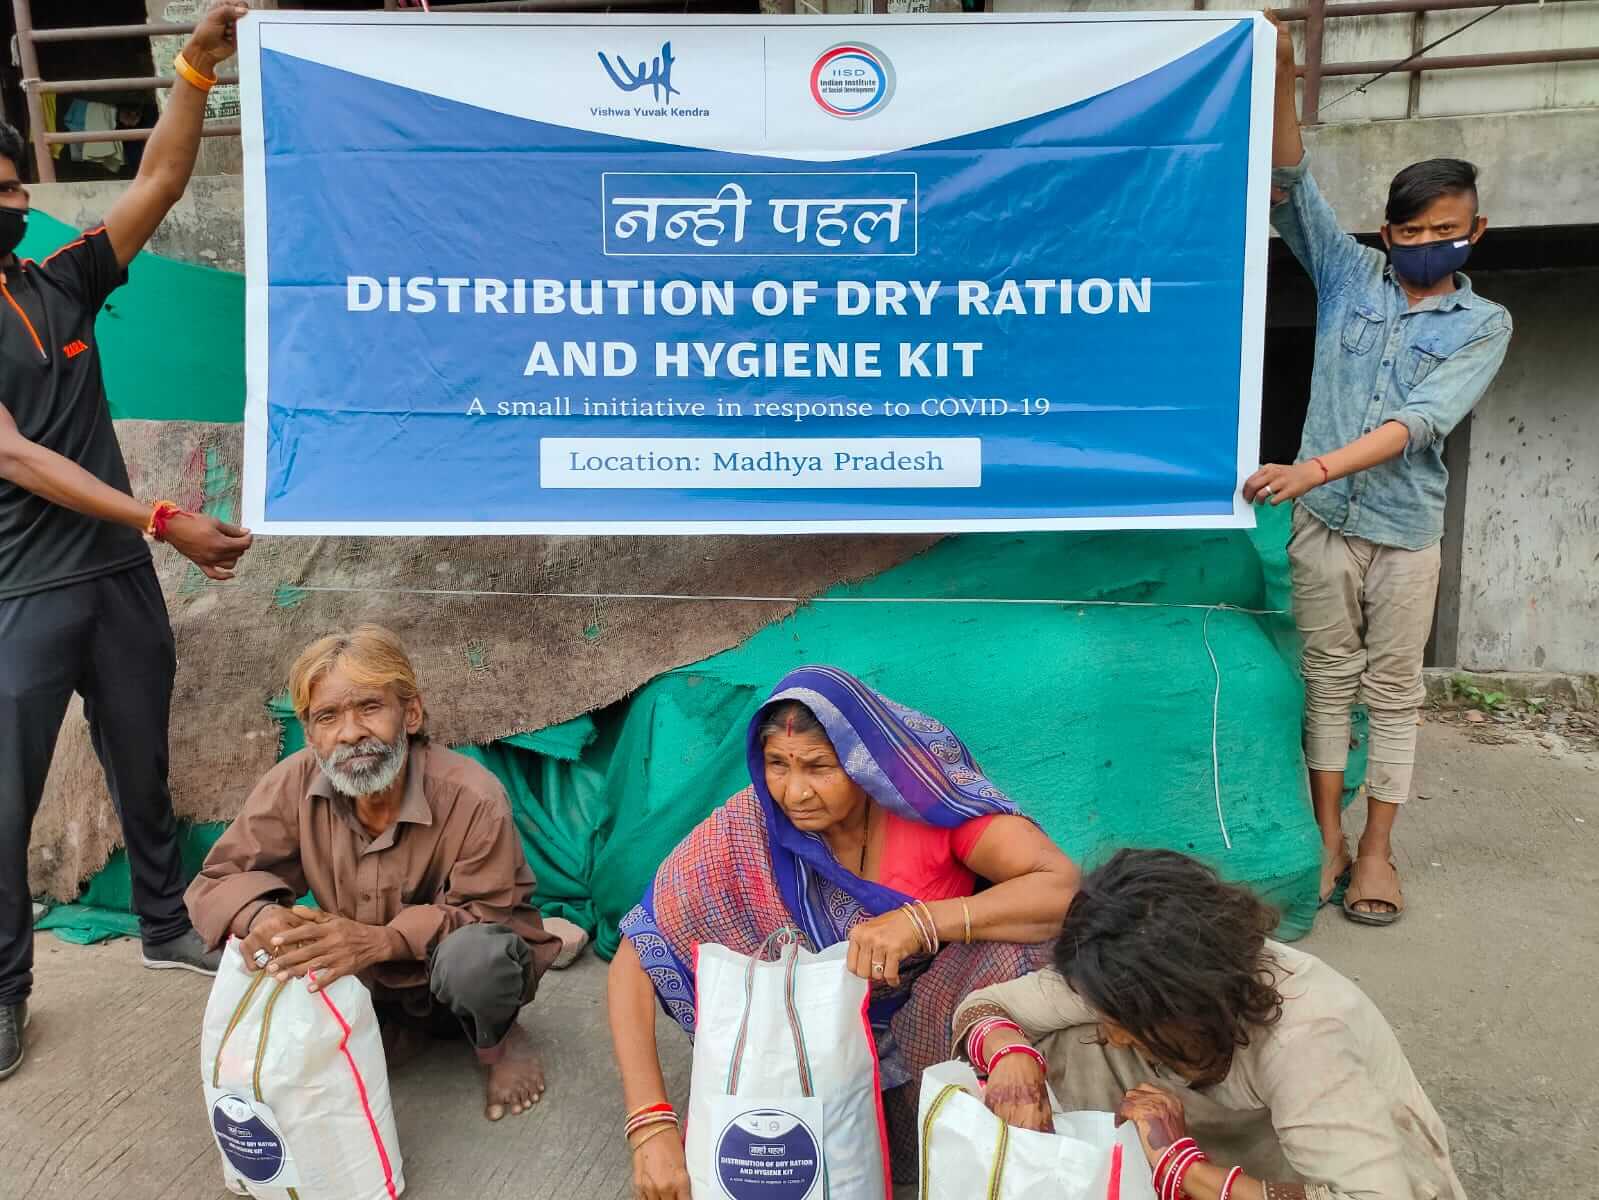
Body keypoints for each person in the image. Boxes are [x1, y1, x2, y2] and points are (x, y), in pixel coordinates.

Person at [0, 3, 258, 1083]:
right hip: (23, 592)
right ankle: (5, 992)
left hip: (115, 579)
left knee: (141, 762)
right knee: (6, 802)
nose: (14, 205)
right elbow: (14, 455)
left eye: (16, 189)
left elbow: (157, 181)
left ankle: (164, 923)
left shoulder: (59, 279)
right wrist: (161, 517)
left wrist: (193, 69)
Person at [608, 664, 1079, 1197]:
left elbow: (1060, 887)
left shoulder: (928, 807)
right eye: (777, 764)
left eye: (819, 767)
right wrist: (650, 1123)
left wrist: (922, 921)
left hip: (930, 1030)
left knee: (1015, 947)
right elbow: (636, 955)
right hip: (809, 1056)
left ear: (864, 761)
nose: (795, 792)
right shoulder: (749, 827)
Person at [1245, 13, 1512, 925]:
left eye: (1445, 229)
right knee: (1326, 679)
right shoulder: (1349, 275)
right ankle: (1326, 836)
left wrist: (1310, 469)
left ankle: (1375, 851)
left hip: (1402, 534)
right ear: (1387, 233)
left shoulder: (1484, 324)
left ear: (1475, 230)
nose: (1427, 242)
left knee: (1392, 692)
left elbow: (1420, 421)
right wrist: (1282, 68)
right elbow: (1290, 183)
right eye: (1410, 230)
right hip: (1324, 530)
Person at [186, 625, 577, 1122]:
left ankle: (497, 1038)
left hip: (444, 975)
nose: (350, 733)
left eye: (369, 707)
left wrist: (383, 941)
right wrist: (261, 916)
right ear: (310, 735)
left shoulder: (473, 795)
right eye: (328, 717)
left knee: (477, 961)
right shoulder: (292, 783)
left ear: (410, 714)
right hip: (358, 980)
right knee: (263, 938)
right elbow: (217, 881)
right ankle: (390, 1028)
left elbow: (487, 917)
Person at [957, 849, 1466, 1200]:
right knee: (1063, 1039)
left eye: (1123, 1023)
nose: (1114, 1035)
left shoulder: (1306, 1038)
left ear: (1182, 1005)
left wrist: (1185, 1169)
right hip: (1209, 1138)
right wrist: (1012, 1057)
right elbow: (987, 1007)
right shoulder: (1115, 969)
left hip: (1338, 1177)